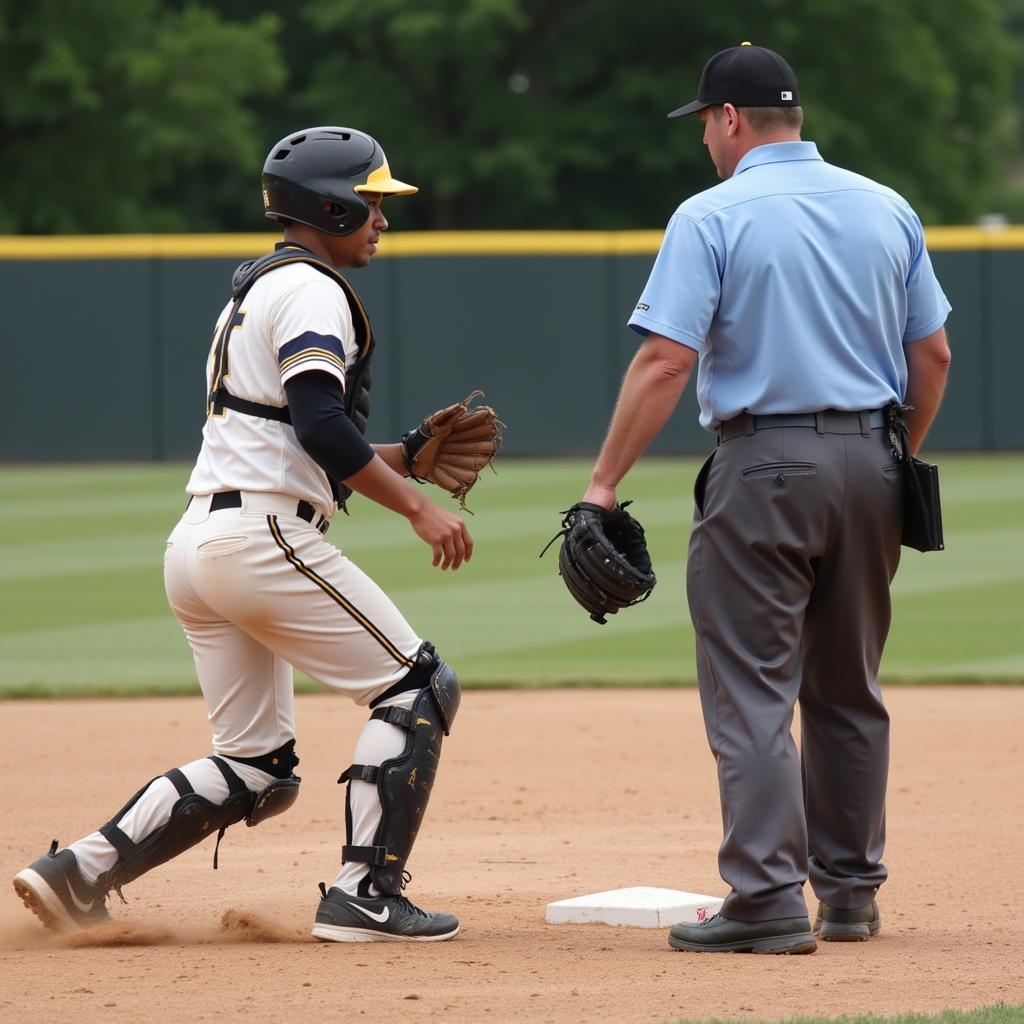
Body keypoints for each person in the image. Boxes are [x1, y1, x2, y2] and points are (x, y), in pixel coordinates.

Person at [13, 126, 474, 943]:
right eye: (370, 202)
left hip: (200, 544)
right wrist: (414, 503)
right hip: (264, 538)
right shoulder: (313, 290)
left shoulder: (257, 289)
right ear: (327, 203)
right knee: (418, 687)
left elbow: (299, 436)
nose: (380, 218)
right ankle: (366, 894)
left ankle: (79, 870)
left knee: (257, 766)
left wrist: (405, 455)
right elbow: (322, 425)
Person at [580, 44, 952, 954]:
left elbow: (667, 358)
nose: (706, 136)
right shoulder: (886, 206)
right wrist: (887, 455)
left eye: (706, 120)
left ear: (731, 120)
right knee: (847, 691)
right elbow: (932, 356)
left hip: (764, 467)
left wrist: (604, 483)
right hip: (875, 463)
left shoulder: (711, 213)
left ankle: (767, 898)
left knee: (753, 692)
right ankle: (853, 896)